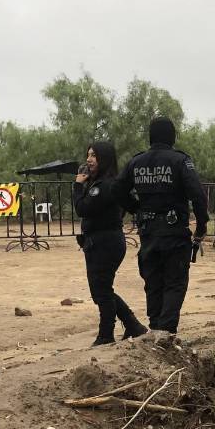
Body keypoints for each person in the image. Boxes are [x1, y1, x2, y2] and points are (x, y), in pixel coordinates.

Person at [116, 117, 209, 333]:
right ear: (173, 137)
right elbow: (197, 194)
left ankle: (156, 328)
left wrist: (136, 208)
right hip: (174, 232)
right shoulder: (180, 161)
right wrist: (202, 226)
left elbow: (117, 190)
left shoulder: (136, 162)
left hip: (148, 232)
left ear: (150, 137)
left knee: (153, 282)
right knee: (175, 282)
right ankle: (165, 332)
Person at [73, 141, 148, 345]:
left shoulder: (104, 185)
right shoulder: (102, 182)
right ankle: (133, 326)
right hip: (101, 241)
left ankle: (106, 334)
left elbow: (82, 208)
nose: (89, 160)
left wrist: (78, 185)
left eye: (94, 156)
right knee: (102, 289)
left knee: (101, 291)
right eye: (88, 155)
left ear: (104, 159)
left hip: (105, 243)